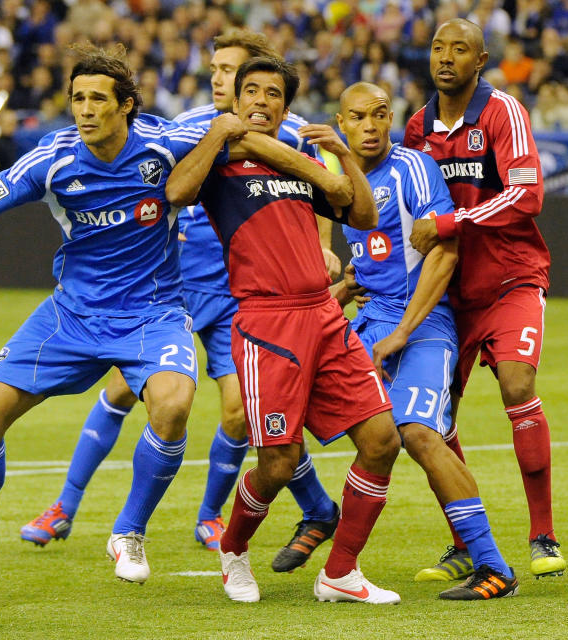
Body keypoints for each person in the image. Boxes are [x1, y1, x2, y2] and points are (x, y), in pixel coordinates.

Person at [19, 30, 342, 574]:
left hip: (238, 290)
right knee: (124, 389)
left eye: (230, 71)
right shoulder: (187, 126)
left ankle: (212, 514)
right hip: (171, 284)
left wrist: (326, 250)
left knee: (245, 411)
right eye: (216, 68)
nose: (219, 79)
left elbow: (316, 197)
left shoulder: (295, 134)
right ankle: (64, 506)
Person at [0, 43, 208, 607]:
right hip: (72, 314)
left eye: (97, 100)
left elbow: (239, 140)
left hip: (152, 313)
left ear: (125, 105)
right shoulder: (52, 158)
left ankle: (128, 532)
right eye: (78, 98)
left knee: (174, 405)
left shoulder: (164, 144)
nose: (85, 109)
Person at [166, 56, 402, 605]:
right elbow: (177, 192)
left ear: (285, 107)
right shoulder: (220, 161)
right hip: (267, 324)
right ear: (235, 99)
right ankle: (233, 548)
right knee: (278, 460)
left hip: (324, 315)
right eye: (250, 91)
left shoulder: (298, 163)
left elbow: (362, 216)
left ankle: (341, 572)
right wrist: (218, 134)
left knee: (382, 441)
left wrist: (343, 157)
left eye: (272, 94)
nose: (260, 101)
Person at [331, 81, 518, 600]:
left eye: (379, 115)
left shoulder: (413, 168)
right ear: (341, 123)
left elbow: (445, 253)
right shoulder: (335, 176)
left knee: (417, 434)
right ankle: (317, 519)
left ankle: (492, 565)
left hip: (424, 324)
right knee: (300, 411)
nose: (370, 126)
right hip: (368, 323)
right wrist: (343, 288)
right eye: (358, 117)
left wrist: (401, 333)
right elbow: (363, 259)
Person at [405, 19, 565, 581]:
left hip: (510, 279)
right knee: (436, 415)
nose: (446, 57)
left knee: (518, 384)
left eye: (460, 50)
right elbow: (407, 208)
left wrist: (449, 222)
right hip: (450, 294)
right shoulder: (417, 126)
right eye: (438, 48)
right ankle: (464, 543)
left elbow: (527, 195)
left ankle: (542, 535)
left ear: (481, 60)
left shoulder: (503, 112)